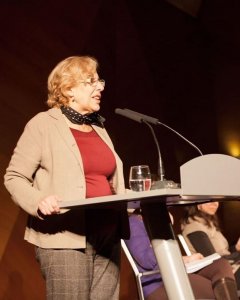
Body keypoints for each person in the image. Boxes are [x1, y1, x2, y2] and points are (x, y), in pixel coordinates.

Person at [4, 56, 129, 300]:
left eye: (99, 81)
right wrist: (38, 199)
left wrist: (140, 208)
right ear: (69, 89)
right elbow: (14, 177)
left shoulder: (99, 128)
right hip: (65, 239)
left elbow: (112, 184)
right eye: (91, 81)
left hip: (107, 236)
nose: (100, 87)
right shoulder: (43, 124)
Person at [125, 208, 239, 300]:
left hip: (176, 270)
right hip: (158, 281)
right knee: (215, 290)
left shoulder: (154, 218)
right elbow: (148, 260)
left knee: (221, 264)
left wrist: (187, 259)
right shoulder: (134, 223)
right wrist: (159, 227)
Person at [181, 201, 240, 290]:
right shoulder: (194, 226)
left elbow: (224, 253)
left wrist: (236, 248)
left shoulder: (209, 223)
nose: (215, 204)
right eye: (209, 201)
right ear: (197, 203)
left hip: (229, 267)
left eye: (216, 200)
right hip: (219, 274)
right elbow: (212, 259)